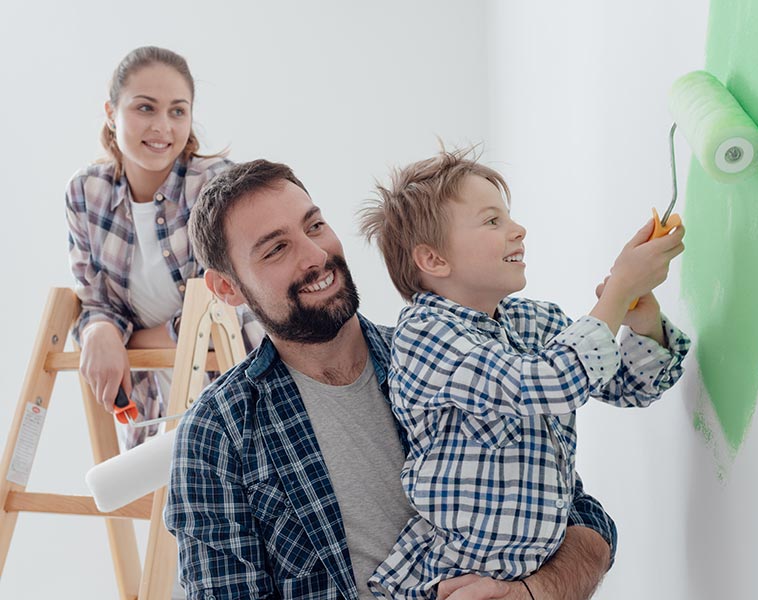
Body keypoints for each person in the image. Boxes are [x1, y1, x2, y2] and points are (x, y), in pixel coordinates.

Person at [166, 158, 623, 600]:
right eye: (276, 248)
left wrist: (532, 592)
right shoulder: (218, 433)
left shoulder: (446, 356)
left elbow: (582, 517)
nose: (315, 254)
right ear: (227, 288)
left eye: (315, 226)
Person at [358, 148, 690, 599]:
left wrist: (638, 315)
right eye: (492, 221)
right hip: (454, 577)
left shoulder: (533, 321)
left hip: (529, 573)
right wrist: (616, 293)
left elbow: (630, 386)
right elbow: (545, 382)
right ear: (434, 260)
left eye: (508, 217)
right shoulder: (425, 336)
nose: (519, 230)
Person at [65, 46, 262, 449]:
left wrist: (124, 340)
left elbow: (224, 307)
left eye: (177, 111)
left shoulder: (214, 185)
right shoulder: (86, 193)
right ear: (110, 112)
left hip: (239, 397)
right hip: (153, 407)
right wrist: (100, 328)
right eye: (145, 108)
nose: (163, 127)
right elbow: (96, 302)